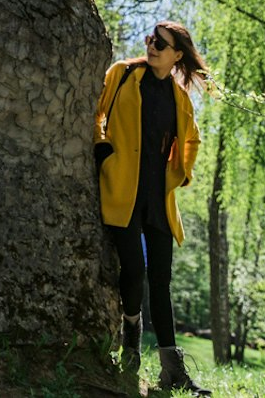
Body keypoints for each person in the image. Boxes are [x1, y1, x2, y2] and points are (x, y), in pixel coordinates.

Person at [94, 21, 210, 395]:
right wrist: (102, 150)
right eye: (150, 39)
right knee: (133, 269)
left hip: (158, 199)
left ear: (177, 55)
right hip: (122, 190)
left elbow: (191, 140)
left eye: (162, 43)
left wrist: (181, 174)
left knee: (161, 283)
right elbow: (96, 112)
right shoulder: (124, 74)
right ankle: (130, 331)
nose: (152, 45)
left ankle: (172, 371)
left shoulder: (179, 97)